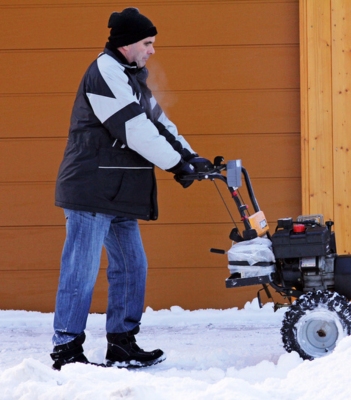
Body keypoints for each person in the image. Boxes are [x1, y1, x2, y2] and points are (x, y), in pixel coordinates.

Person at [51, 7, 211, 370]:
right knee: (81, 269)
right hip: (91, 189)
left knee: (131, 266)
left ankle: (122, 343)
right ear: (126, 44)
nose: (152, 50)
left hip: (119, 190)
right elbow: (134, 129)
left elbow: (158, 120)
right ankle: (66, 350)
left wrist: (191, 155)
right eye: (147, 42)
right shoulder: (104, 73)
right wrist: (174, 165)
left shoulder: (131, 76)